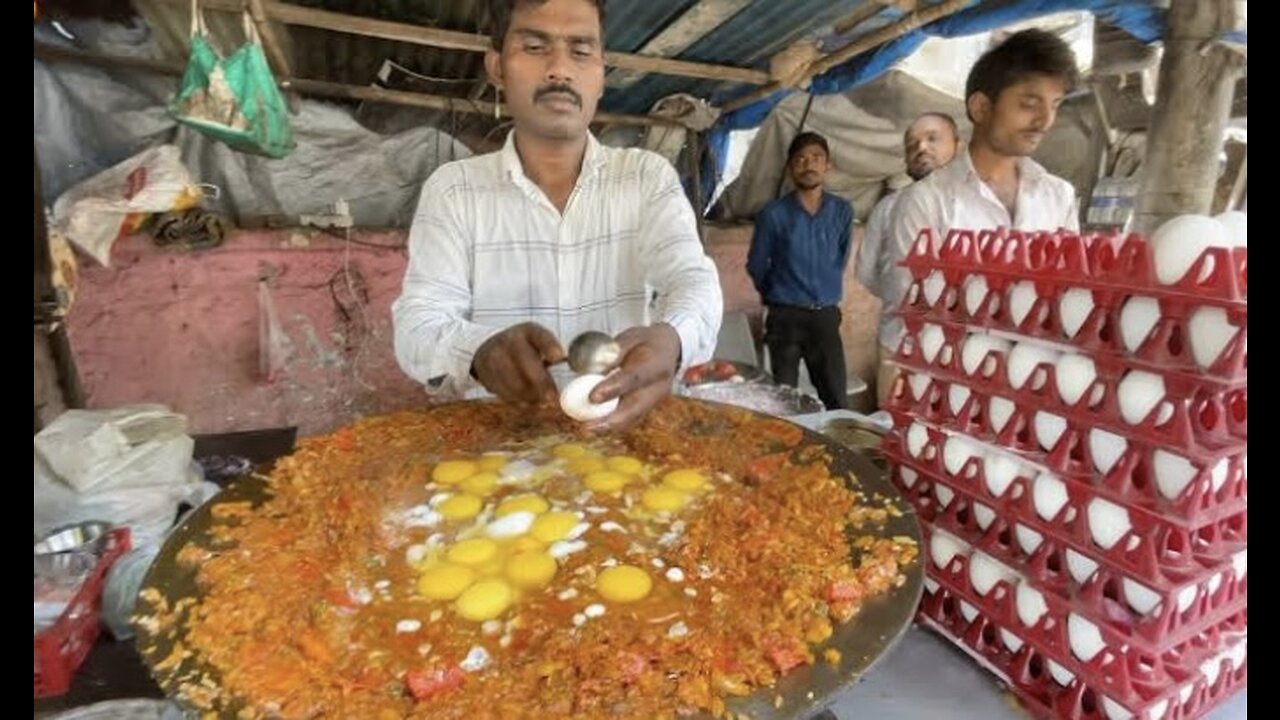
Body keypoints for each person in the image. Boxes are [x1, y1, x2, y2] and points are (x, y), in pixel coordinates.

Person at [392, 0, 723, 432]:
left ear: (602, 73)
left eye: (581, 50)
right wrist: (476, 350)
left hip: (623, 436)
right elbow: (418, 325)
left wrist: (673, 338)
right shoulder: (453, 190)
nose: (560, 70)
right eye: (534, 46)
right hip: (496, 448)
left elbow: (692, 280)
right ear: (496, 67)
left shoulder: (646, 177)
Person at [886, 28, 1081, 397]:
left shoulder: (1058, 197)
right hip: (951, 395)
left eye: (1055, 104)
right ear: (980, 107)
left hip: (1035, 394)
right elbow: (914, 311)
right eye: (1029, 103)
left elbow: (1068, 301)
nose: (1045, 120)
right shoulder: (928, 201)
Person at [855, 112, 960, 407]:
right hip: (901, 346)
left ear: (958, 145)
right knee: (896, 434)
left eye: (933, 138)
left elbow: (868, 274)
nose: (921, 148)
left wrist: (898, 292)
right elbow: (865, 273)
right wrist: (899, 292)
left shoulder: (978, 205)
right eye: (912, 143)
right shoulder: (888, 207)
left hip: (959, 354)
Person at [746, 131, 854, 411]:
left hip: (825, 317)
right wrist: (776, 294)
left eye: (816, 158)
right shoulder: (773, 214)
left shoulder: (842, 211)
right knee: (784, 402)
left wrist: (823, 287)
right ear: (791, 167)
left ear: (827, 164)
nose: (809, 165)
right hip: (785, 318)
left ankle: (833, 453)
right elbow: (756, 265)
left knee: (836, 398)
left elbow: (840, 258)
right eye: (801, 159)